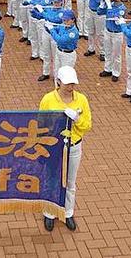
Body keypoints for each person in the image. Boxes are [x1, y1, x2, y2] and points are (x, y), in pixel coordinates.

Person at [38, 65, 90, 232]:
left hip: (73, 146)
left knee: (70, 182)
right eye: (67, 84)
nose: (70, 87)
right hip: (54, 147)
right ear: (58, 82)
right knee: (52, 179)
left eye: (73, 84)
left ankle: (68, 213)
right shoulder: (48, 99)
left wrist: (77, 120)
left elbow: (87, 125)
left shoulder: (81, 99)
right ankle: (49, 213)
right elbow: (41, 124)